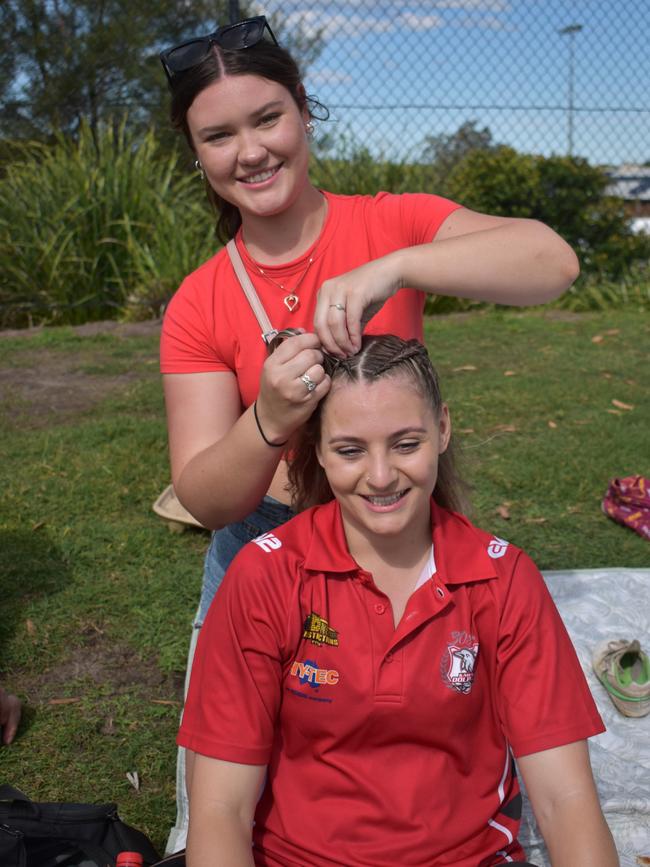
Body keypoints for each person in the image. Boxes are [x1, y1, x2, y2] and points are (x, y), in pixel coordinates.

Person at [158, 14, 580, 852]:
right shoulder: (200, 302)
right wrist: (270, 421)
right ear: (196, 152)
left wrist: (402, 263)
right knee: (225, 810)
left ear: (306, 112)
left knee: (426, 773)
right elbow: (206, 496)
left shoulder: (393, 222)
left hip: (398, 540)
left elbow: (553, 264)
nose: (250, 150)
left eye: (268, 117)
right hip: (260, 562)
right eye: (218, 134)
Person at [178, 334, 618, 867]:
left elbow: (565, 800)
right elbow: (221, 809)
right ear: (316, 448)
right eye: (350, 450)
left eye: (406, 444)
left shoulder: (503, 579)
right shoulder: (265, 576)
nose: (382, 476)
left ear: (443, 430)